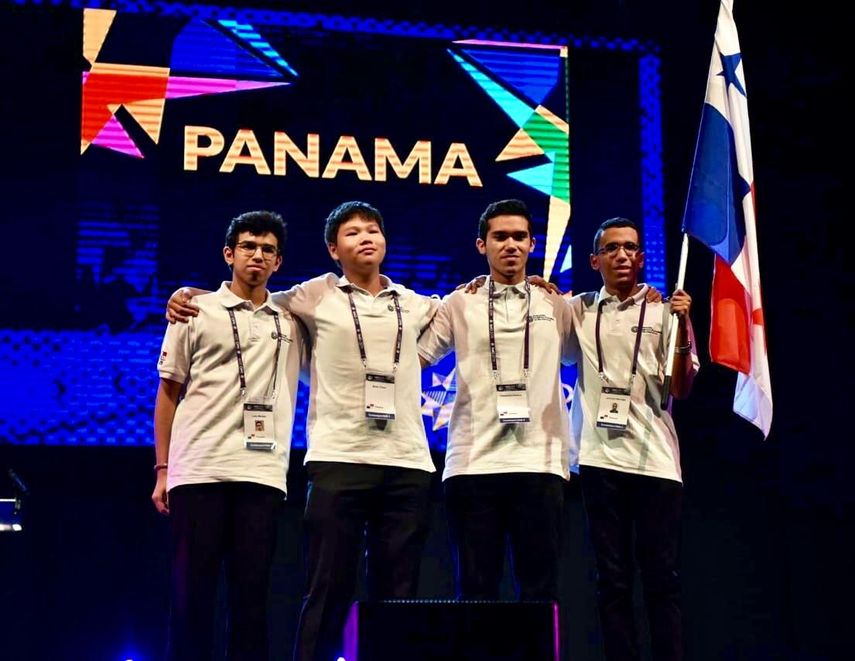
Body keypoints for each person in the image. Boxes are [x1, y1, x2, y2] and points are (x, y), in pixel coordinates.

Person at [166, 201, 438, 661]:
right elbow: (245, 299)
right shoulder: (309, 297)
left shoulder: (415, 304)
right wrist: (188, 293)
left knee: (395, 594)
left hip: (403, 461)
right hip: (333, 460)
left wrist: (531, 286)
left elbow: (471, 304)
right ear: (334, 249)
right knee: (322, 590)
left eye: (373, 230)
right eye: (353, 233)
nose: (366, 238)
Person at [152, 210, 307, 661]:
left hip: (262, 474)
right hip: (198, 471)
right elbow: (167, 395)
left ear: (278, 262)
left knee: (252, 600)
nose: (257, 256)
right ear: (228, 254)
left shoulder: (291, 318)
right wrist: (163, 469)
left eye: (267, 250)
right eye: (248, 247)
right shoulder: (193, 310)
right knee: (191, 598)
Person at [417, 199, 576, 603]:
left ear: (532, 244)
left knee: (540, 593)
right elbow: (414, 359)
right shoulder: (459, 303)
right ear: (481, 245)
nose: (510, 245)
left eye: (519, 237)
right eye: (500, 237)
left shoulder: (555, 303)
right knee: (475, 592)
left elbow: (597, 349)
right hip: (473, 466)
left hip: (540, 465)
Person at [566, 216, 698, 661]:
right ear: (594, 259)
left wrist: (685, 329)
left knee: (662, 578)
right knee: (612, 580)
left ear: (641, 257)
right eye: (612, 248)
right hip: (601, 460)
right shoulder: (578, 310)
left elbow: (680, 388)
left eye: (630, 248)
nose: (622, 255)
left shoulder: (664, 311)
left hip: (655, 461)